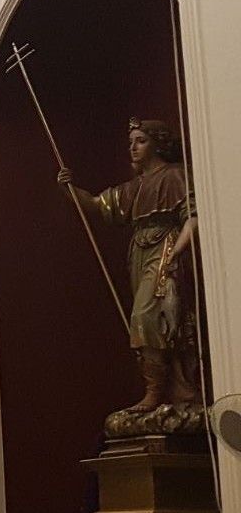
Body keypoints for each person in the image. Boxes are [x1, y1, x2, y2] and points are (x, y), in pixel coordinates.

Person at [58, 118, 200, 411]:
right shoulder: (135, 187)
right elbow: (98, 205)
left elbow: (192, 217)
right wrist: (70, 189)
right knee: (146, 321)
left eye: (141, 141)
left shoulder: (175, 176)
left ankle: (162, 392)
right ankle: (163, 393)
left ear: (157, 143)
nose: (133, 148)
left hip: (166, 247)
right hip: (139, 253)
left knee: (153, 317)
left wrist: (176, 252)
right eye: (131, 143)